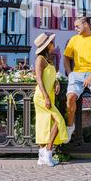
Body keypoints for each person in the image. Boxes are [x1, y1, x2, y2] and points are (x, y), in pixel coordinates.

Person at [33, 33, 68, 167]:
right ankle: (48, 153)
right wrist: (46, 97)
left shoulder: (49, 59)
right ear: (47, 46)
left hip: (49, 96)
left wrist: (56, 82)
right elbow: (39, 80)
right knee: (59, 121)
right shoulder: (39, 59)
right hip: (42, 97)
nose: (54, 44)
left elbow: (51, 77)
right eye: (52, 42)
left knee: (44, 124)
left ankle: (42, 157)